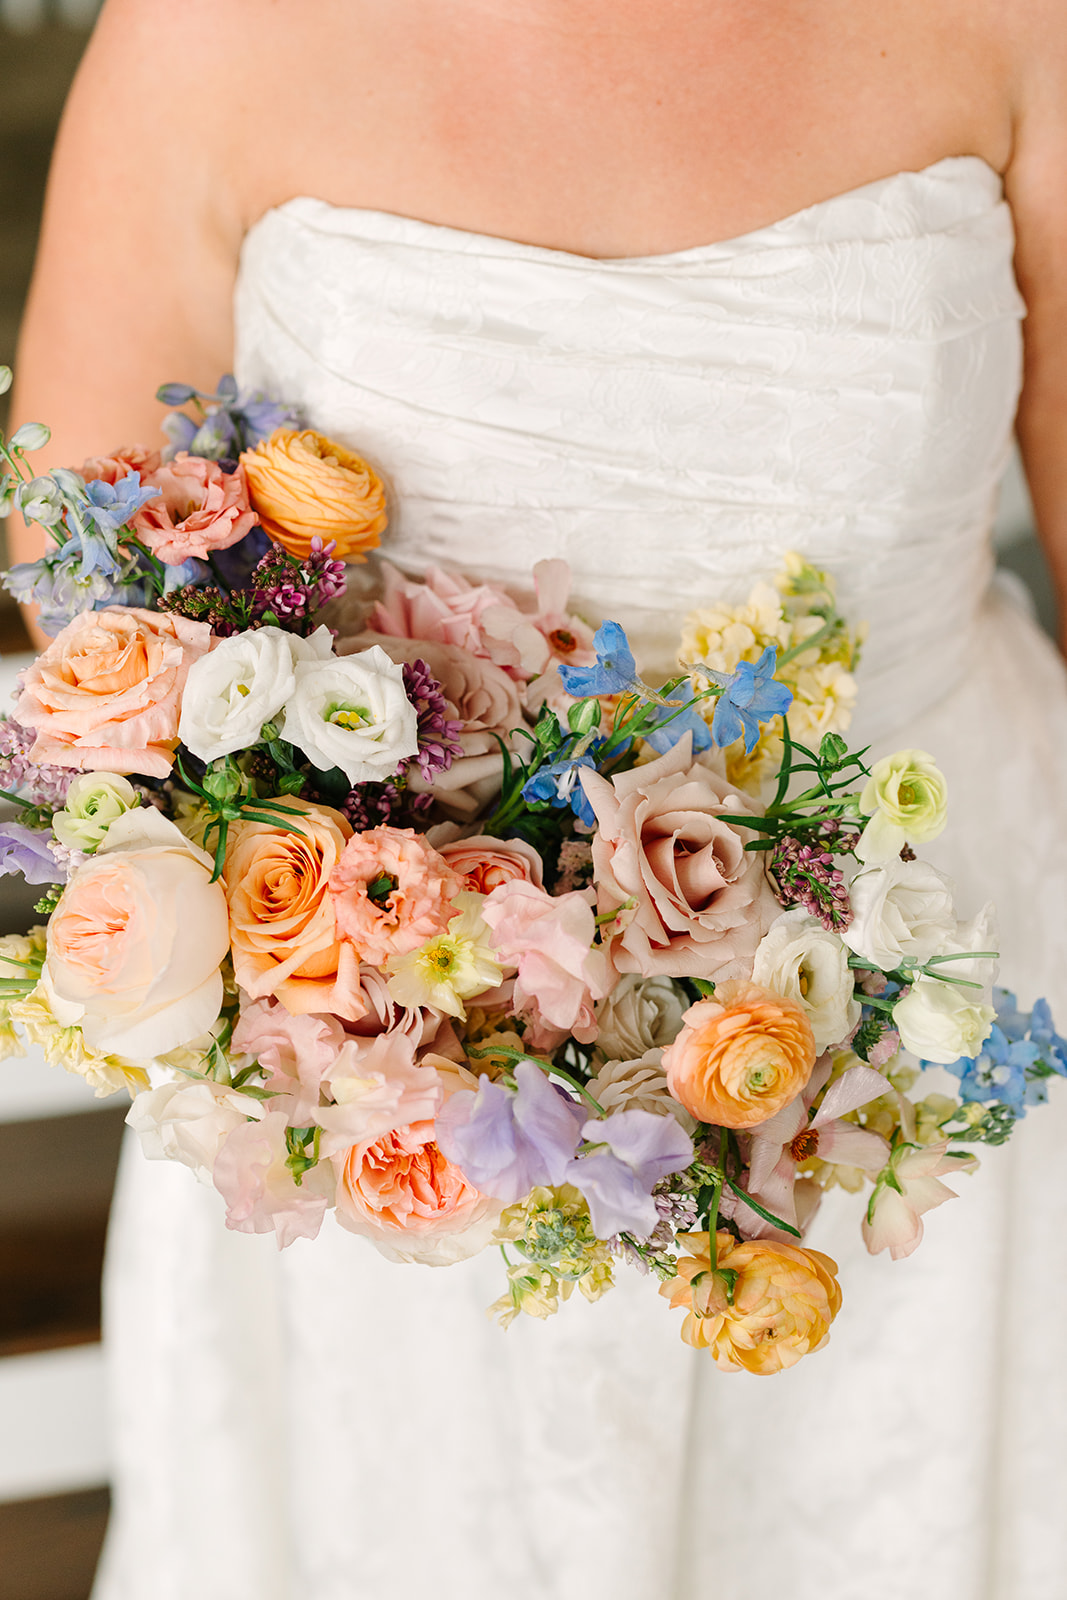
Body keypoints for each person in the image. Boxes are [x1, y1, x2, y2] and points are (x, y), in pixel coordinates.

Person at [9, 1, 1067, 1595]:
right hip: (399, 1054)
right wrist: (402, 934)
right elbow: (85, 579)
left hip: (920, 987)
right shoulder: (209, 33)